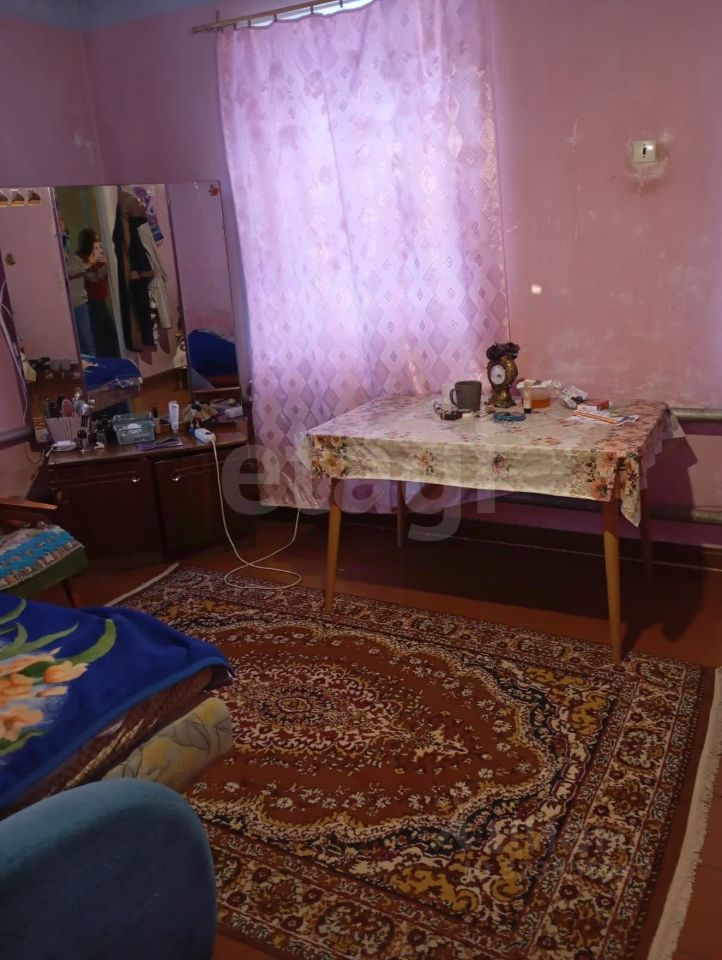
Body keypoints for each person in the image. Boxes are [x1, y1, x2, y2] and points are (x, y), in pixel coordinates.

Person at [76, 228, 120, 357]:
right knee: (102, 333)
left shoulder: (97, 255)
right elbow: (92, 278)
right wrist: (97, 264)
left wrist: (104, 264)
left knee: (109, 333)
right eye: (95, 239)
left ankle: (111, 357)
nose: (98, 241)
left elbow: (104, 276)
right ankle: (106, 359)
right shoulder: (81, 257)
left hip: (100, 298)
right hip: (92, 300)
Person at [65, 232, 96, 356]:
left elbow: (89, 277)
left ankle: (93, 366)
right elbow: (66, 272)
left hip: (80, 305)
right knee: (73, 345)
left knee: (88, 343)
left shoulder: (75, 259)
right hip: (66, 308)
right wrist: (88, 264)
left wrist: (104, 270)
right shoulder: (56, 261)